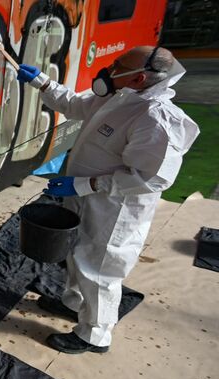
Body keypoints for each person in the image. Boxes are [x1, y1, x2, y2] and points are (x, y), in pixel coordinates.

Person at [17, 46, 200, 354]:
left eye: (118, 66)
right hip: (84, 197)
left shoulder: (155, 119)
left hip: (115, 209)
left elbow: (151, 178)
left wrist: (87, 184)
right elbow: (75, 104)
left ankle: (94, 334)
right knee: (76, 253)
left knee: (99, 269)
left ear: (140, 78)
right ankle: (74, 303)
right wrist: (43, 83)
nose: (110, 69)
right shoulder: (119, 96)